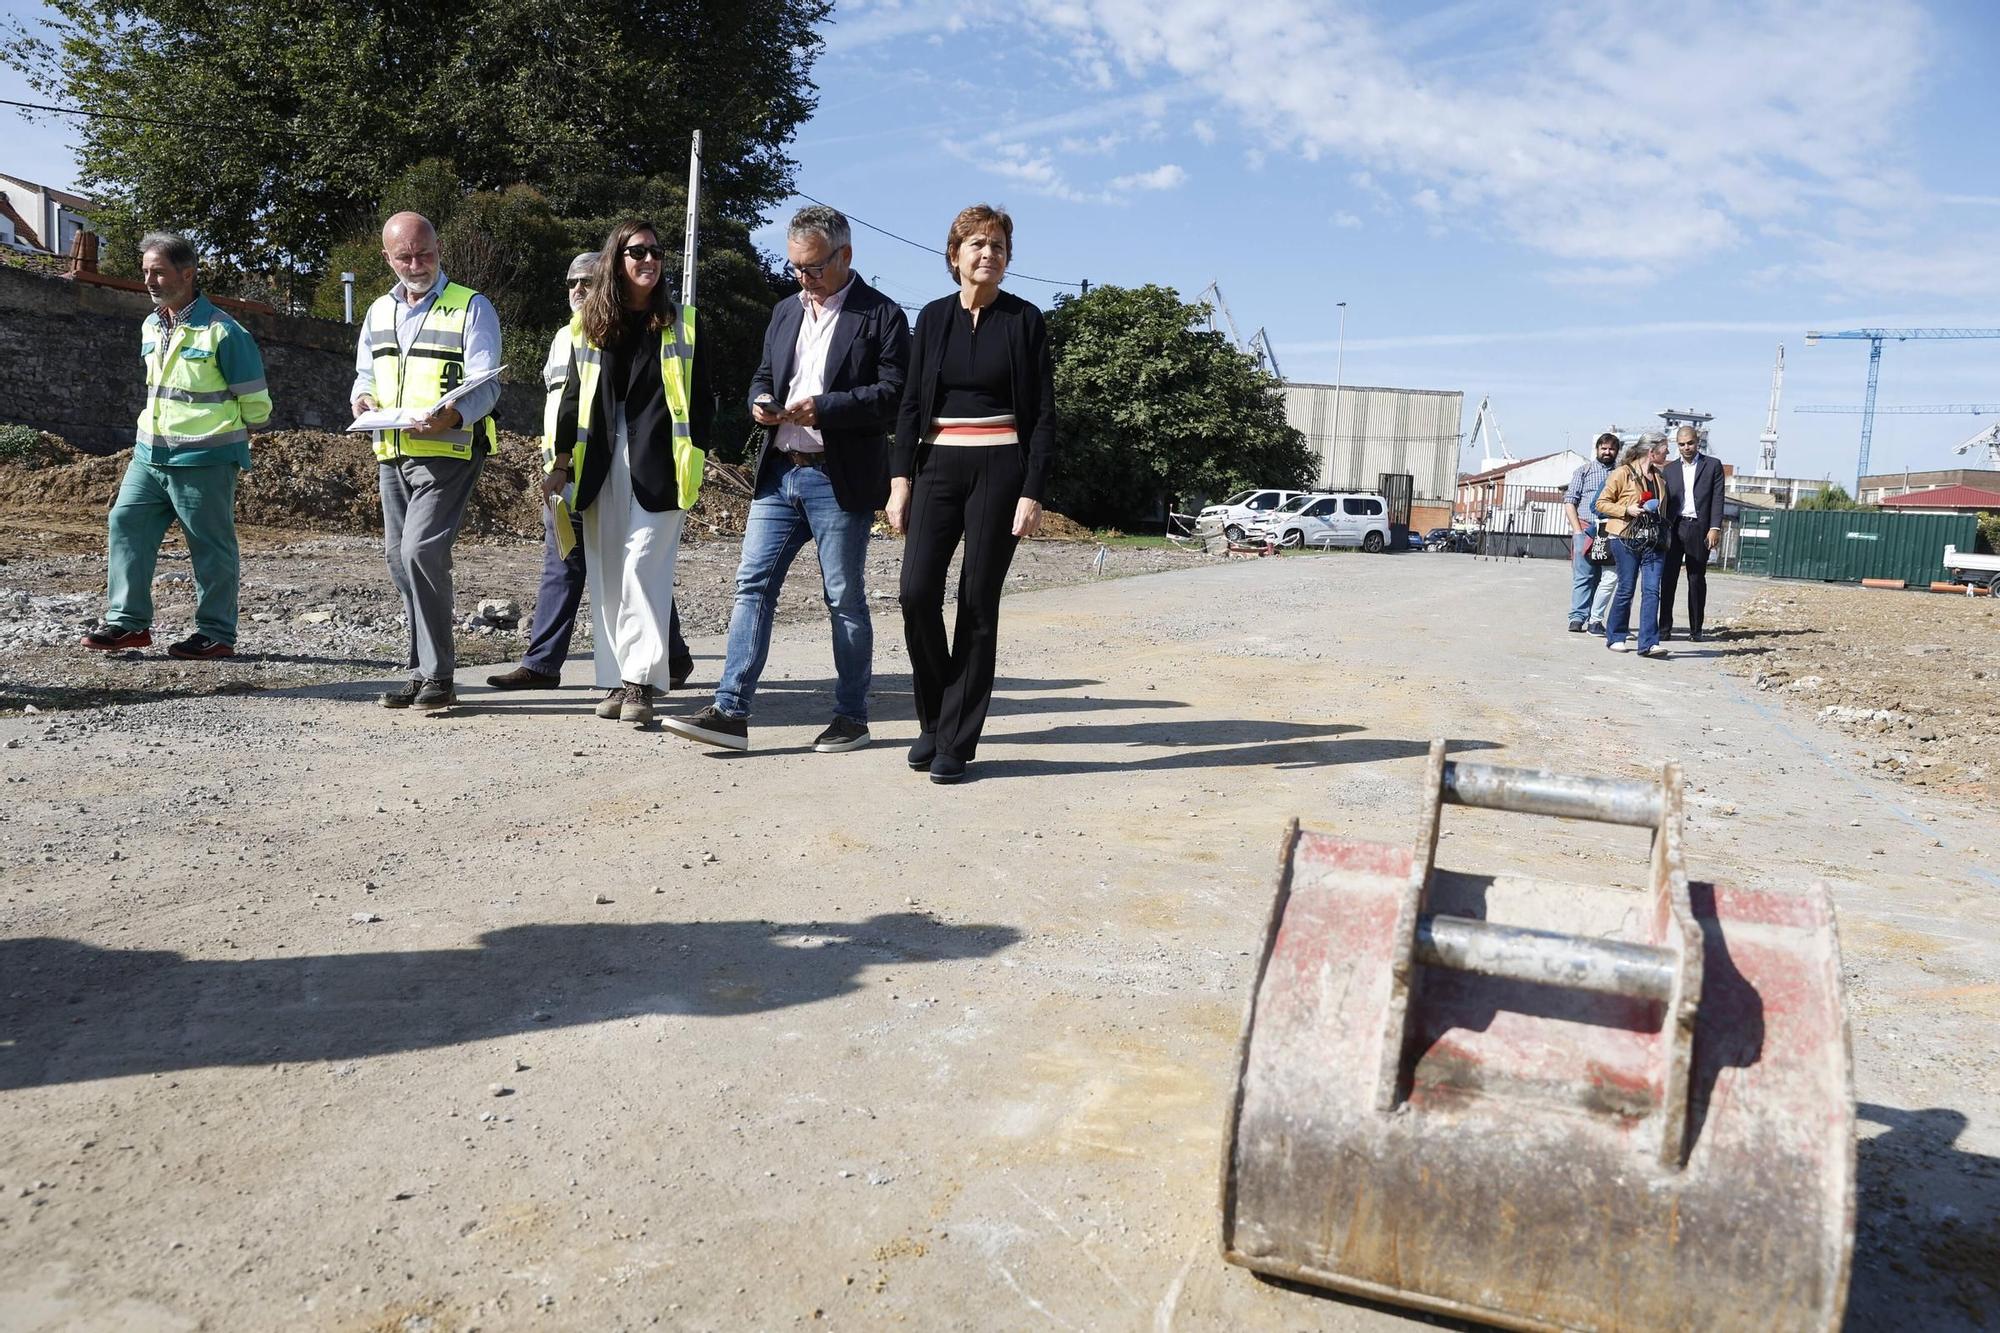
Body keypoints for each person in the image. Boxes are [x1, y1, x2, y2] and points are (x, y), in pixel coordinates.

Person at [664, 205, 909, 754]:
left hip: (836, 478)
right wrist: (761, 402)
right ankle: (730, 711)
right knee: (752, 586)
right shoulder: (784, 311)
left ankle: (851, 718)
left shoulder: (882, 316)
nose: (803, 277)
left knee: (843, 597)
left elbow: (895, 397)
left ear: (845, 256)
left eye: (814, 267)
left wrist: (823, 408)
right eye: (795, 267)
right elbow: (764, 375)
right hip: (779, 473)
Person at [888, 204, 1057, 784]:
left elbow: (1043, 416)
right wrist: (900, 479)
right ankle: (934, 719)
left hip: (999, 469)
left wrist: (1032, 490)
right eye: (979, 244)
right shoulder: (931, 319)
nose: (990, 254)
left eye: (1000, 247)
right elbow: (910, 404)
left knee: (978, 603)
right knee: (915, 594)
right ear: (955, 253)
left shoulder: (1024, 320)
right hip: (936, 465)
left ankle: (957, 741)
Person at [487, 252, 692, 691]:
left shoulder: (611, 336)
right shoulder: (564, 337)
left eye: (588, 281)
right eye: (571, 283)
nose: (578, 290)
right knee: (565, 563)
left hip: (613, 471)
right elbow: (559, 409)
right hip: (567, 475)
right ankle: (542, 663)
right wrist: (555, 464)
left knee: (635, 564)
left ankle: (669, 655)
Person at [543, 218, 712, 727]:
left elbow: (701, 399)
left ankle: (640, 683)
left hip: (662, 466)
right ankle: (619, 679)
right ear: (616, 260)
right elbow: (572, 399)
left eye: (656, 252)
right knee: (608, 574)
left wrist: (699, 455)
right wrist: (560, 462)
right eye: (637, 251)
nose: (649, 260)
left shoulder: (683, 322)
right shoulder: (587, 326)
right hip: (599, 463)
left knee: (643, 568)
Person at [81, 233, 273, 660]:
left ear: (187, 274)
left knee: (209, 545)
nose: (149, 279)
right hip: (149, 455)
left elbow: (257, 407)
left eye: (158, 271)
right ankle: (127, 624)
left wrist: (213, 436)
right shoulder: (151, 324)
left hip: (204, 458)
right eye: (146, 271)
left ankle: (216, 633)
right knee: (125, 523)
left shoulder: (225, 332)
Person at [350, 211, 502, 713]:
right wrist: (363, 400)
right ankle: (421, 672)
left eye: (425, 253)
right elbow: (365, 375)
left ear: (439, 248)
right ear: (386, 257)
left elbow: (488, 383)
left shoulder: (471, 307)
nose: (416, 264)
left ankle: (438, 675)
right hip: (391, 451)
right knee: (399, 559)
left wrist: (453, 415)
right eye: (405, 256)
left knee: (420, 553)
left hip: (448, 450)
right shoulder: (378, 311)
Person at [1595, 436, 1671, 658]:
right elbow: (1601, 503)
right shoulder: (1622, 473)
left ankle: (1648, 643)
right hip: (1625, 537)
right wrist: (1627, 510)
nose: (1668, 455)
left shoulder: (1660, 478)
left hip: (1653, 540)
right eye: (1665, 450)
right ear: (1651, 452)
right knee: (1626, 588)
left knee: (1652, 590)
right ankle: (1616, 636)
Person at [1660, 424, 1725, 643]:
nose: (1686, 447)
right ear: (1676, 445)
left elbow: (1718, 498)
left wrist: (1715, 527)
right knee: (1668, 579)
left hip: (1699, 528)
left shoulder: (1712, 466)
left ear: (1698, 442)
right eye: (1681, 444)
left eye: (1690, 443)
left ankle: (1696, 629)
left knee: (1696, 578)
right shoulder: (1669, 470)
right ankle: (1664, 629)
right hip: (1675, 527)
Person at [1561, 431, 1621, 634]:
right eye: (1603, 448)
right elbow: (1570, 502)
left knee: (1604, 578)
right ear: (1597, 449)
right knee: (1583, 575)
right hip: (1586, 528)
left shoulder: (1621, 473)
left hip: (1611, 530)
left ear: (1617, 451)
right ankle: (1577, 617)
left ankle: (1595, 620)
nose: (1607, 452)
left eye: (1611, 448)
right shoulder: (1583, 471)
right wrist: (1578, 531)